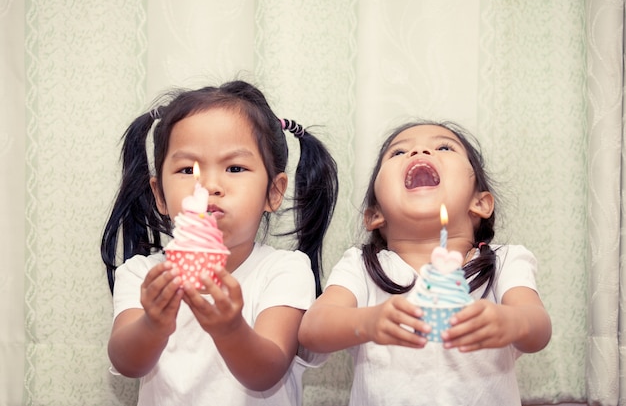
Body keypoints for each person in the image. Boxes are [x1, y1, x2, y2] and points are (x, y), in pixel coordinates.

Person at [100, 80, 338, 405]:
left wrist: (230, 330)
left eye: (235, 167)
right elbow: (126, 362)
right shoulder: (143, 274)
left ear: (274, 192)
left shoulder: (284, 271)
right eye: (187, 169)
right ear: (160, 195)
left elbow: (267, 371)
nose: (209, 185)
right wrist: (153, 323)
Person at [298, 120, 552, 405]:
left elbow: (539, 328)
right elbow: (312, 330)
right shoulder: (361, 266)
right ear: (375, 216)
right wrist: (366, 322)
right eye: (397, 153)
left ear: (480, 204)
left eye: (444, 147)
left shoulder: (504, 261)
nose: (419, 150)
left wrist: (511, 322)